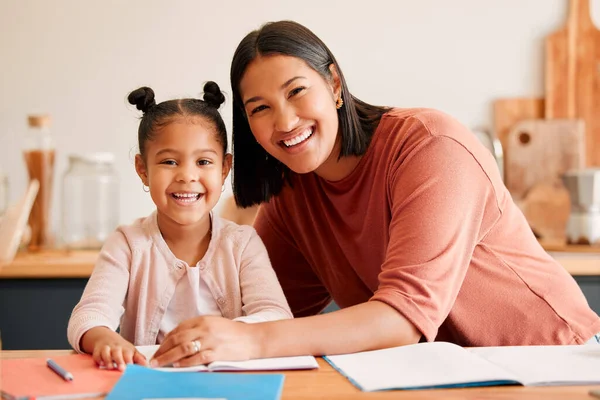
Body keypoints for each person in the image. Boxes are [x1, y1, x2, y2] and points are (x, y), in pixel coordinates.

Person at [150, 20, 600, 368]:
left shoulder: (429, 146)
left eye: (297, 92)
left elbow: (402, 318)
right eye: (261, 108)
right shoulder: (291, 197)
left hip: (552, 360)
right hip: (443, 374)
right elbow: (253, 309)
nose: (284, 122)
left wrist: (251, 340)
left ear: (334, 84)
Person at [67, 81, 292, 370]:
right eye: (170, 161)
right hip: (151, 384)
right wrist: (103, 339)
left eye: (203, 161)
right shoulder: (127, 243)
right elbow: (89, 316)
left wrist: (227, 335)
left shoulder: (243, 243)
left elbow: (276, 315)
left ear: (224, 168)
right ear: (142, 169)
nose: (187, 175)